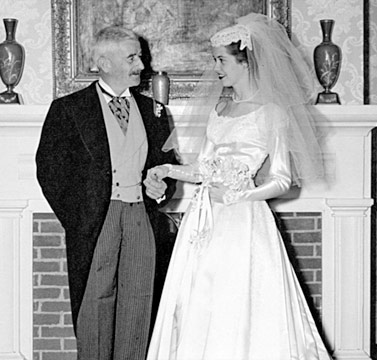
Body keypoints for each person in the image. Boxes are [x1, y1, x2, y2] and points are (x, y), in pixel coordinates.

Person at [143, 13, 331, 359]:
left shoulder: (273, 112)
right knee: (200, 297)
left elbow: (282, 180)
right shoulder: (220, 110)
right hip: (204, 221)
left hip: (243, 221)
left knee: (239, 299)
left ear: (246, 61)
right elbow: (204, 168)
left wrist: (241, 193)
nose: (216, 68)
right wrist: (167, 168)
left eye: (221, 60)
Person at [35, 25, 177, 360]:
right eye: (132, 57)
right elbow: (50, 172)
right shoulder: (68, 109)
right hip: (98, 219)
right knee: (95, 302)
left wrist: (160, 190)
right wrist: (80, 218)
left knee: (138, 301)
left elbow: (166, 165)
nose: (141, 66)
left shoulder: (153, 111)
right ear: (104, 62)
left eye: (139, 57)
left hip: (141, 217)